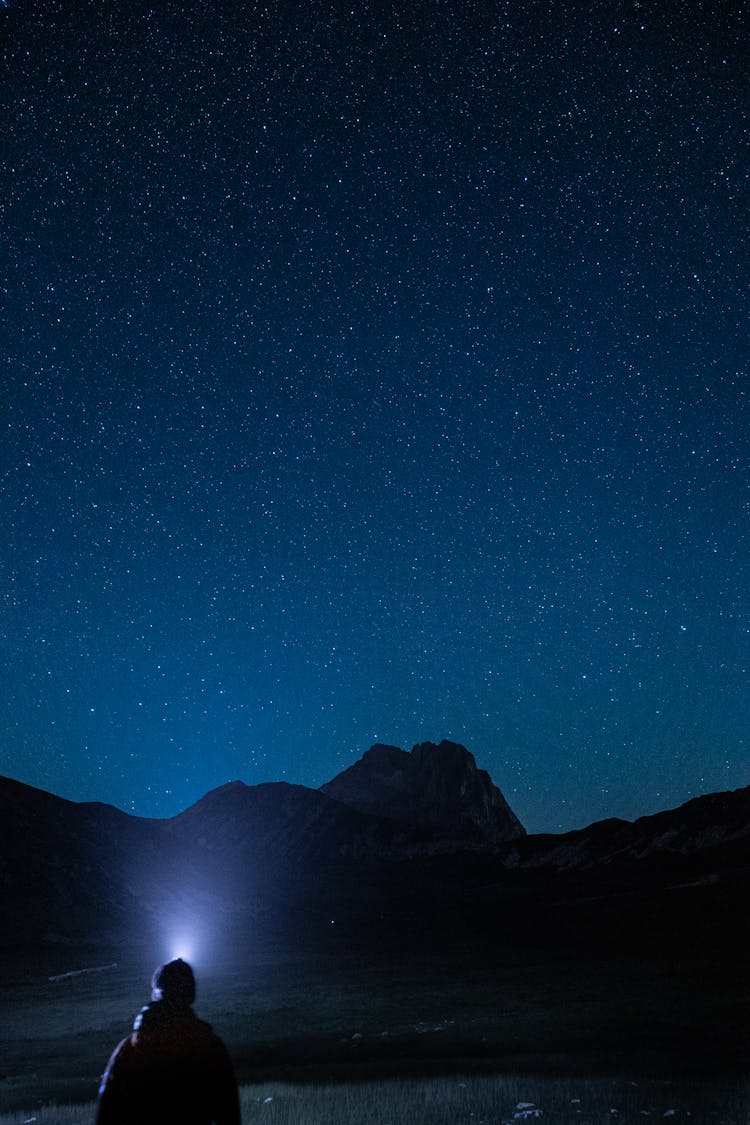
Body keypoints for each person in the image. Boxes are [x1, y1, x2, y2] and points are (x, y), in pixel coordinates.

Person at [96, 958, 241, 1125]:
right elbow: (230, 1116)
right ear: (191, 994)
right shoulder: (211, 1048)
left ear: (156, 992)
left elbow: (105, 1117)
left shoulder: (129, 1049)